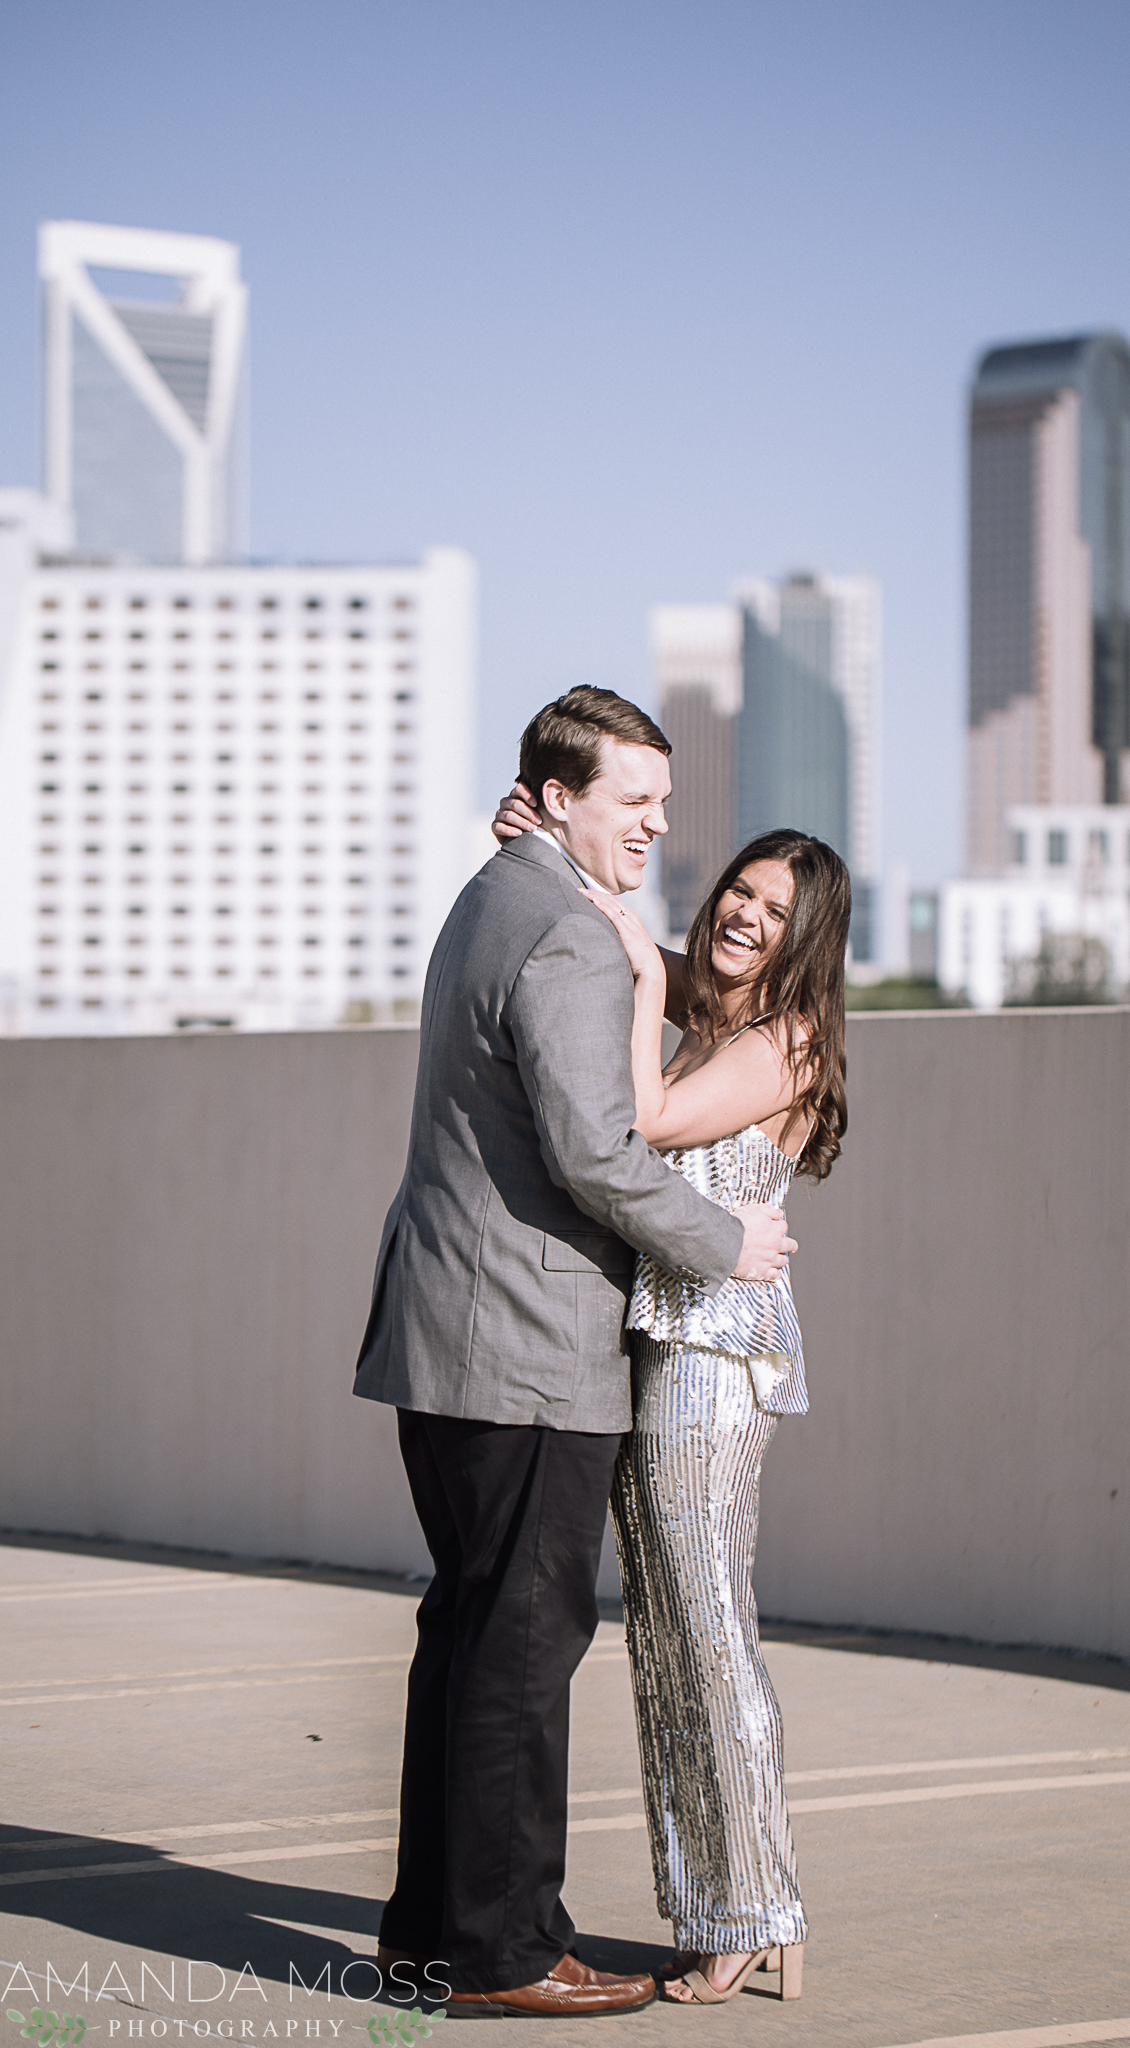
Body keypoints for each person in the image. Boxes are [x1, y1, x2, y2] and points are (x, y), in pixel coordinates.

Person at [353, 687, 796, 2020]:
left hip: (456, 1337)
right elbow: (599, 1150)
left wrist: (581, 877)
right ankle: (502, 1955)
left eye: (663, 805)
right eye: (633, 805)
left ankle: (430, 1934)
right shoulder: (563, 934)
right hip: (523, 1351)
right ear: (555, 796)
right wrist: (727, 1244)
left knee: (469, 1636)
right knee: (518, 1650)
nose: (660, 828)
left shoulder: (505, 895)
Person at [494, 788, 849, 2007]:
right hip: (655, 1339)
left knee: (708, 1624)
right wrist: (535, 836)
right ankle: (722, 1899)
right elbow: (613, 920)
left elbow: (644, 1114)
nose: (747, 916)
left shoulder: (785, 1037)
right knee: (662, 1633)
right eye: (741, 891)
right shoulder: (714, 1000)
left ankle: (757, 1905)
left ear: (811, 938)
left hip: (713, 1357)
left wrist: (650, 986)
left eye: (775, 909)